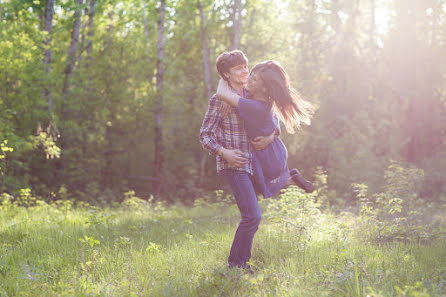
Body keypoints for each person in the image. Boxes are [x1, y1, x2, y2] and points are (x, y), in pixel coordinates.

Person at [199, 50, 276, 271]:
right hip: (232, 165)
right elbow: (205, 135)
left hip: (253, 165)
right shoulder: (218, 100)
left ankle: (242, 264)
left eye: (246, 66)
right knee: (253, 215)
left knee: (252, 217)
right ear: (226, 74)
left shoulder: (252, 97)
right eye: (239, 68)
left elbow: (274, 118)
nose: (245, 71)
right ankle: (236, 264)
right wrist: (225, 153)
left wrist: (271, 136)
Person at [216, 60, 315, 198]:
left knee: (256, 186)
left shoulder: (255, 107)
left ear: (263, 88)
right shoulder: (262, 100)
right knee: (258, 185)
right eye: (250, 74)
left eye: (254, 79)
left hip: (268, 155)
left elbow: (221, 93)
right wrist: (272, 136)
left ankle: (291, 179)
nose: (248, 79)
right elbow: (274, 121)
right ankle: (293, 179)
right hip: (272, 149)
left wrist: (226, 76)